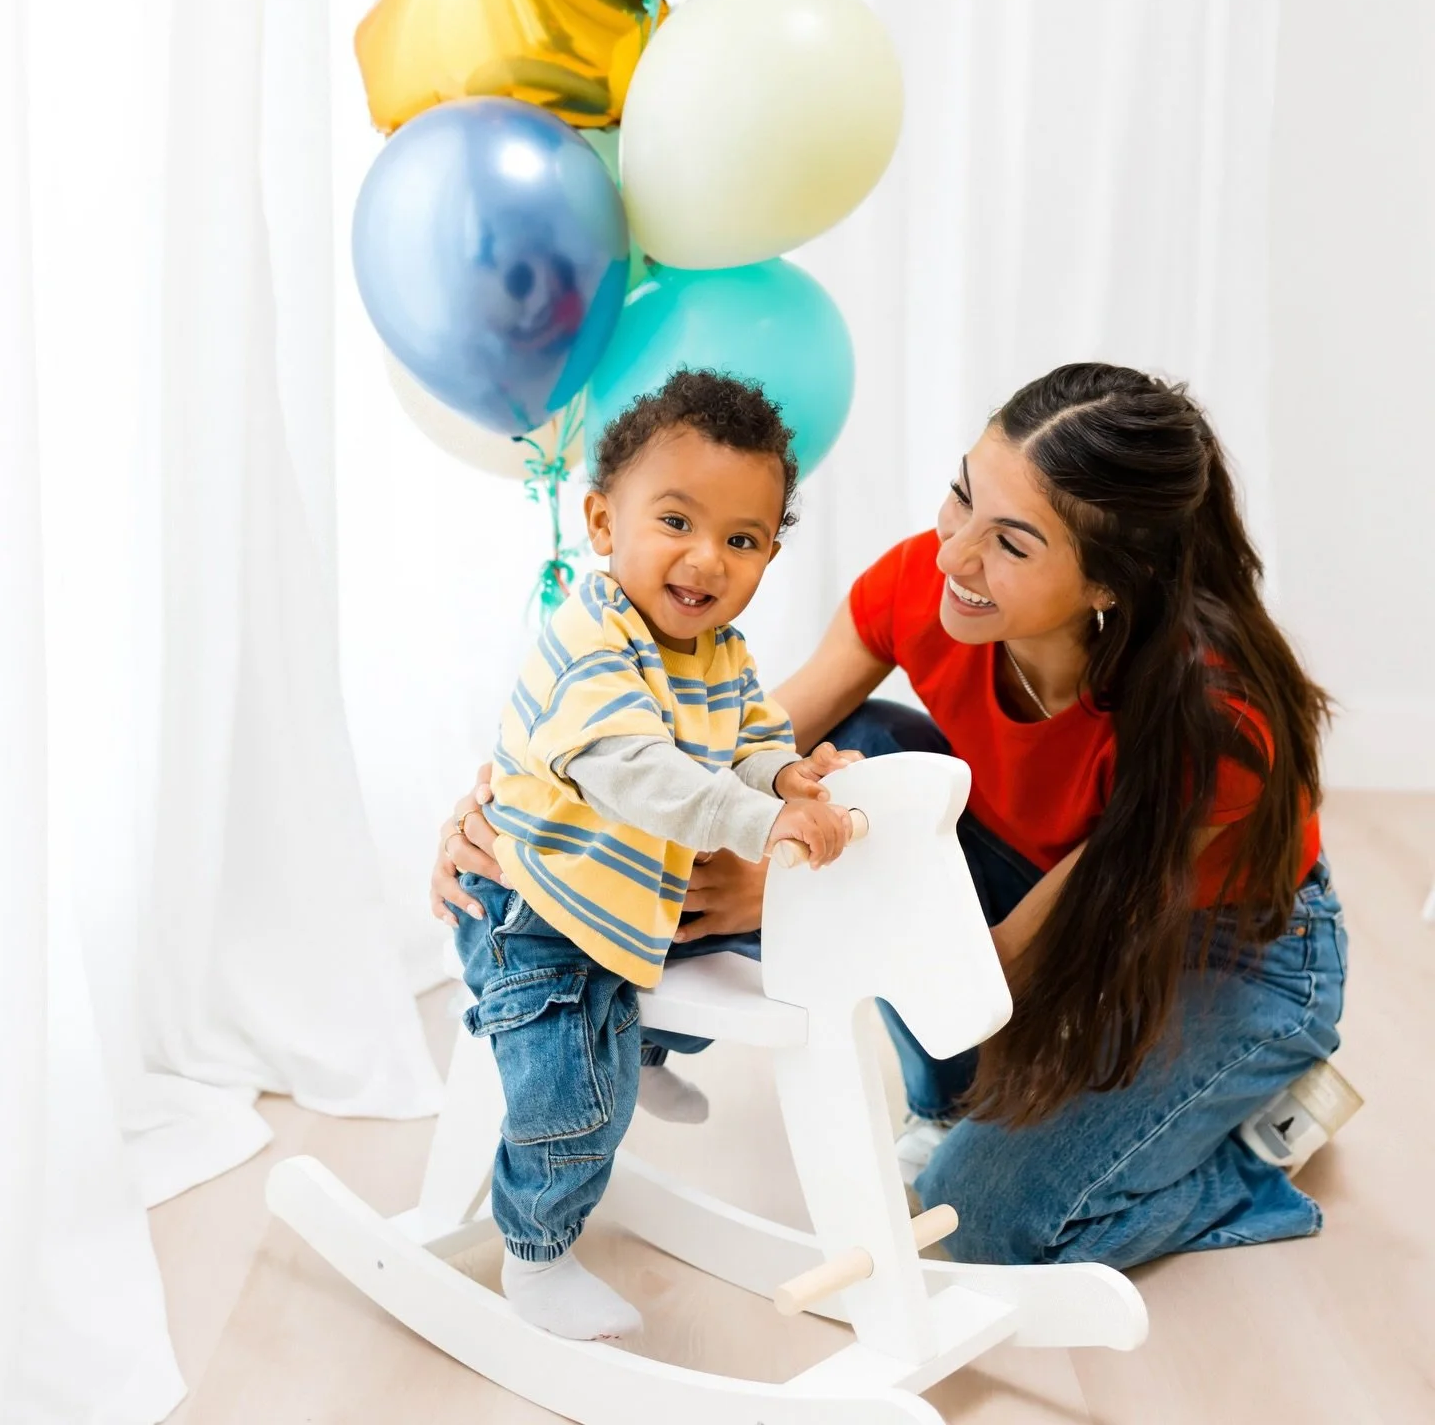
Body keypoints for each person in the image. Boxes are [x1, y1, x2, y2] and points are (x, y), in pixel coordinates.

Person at [436, 362, 1349, 1271]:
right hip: (1017, 859)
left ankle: (1244, 1149)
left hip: (1225, 946)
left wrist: (789, 890)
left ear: (1113, 581)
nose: (955, 555)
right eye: (962, 497)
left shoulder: (1216, 723)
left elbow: (1007, 962)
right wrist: (520, 810)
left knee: (986, 1216)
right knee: (848, 752)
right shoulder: (927, 583)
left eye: (1013, 544)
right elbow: (707, 754)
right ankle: (954, 1096)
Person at [450, 369, 854, 1342]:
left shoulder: (720, 652)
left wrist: (784, 782)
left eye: (743, 539)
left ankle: (648, 1042)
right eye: (676, 521)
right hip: (532, 910)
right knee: (575, 1105)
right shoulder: (591, 638)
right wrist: (758, 827)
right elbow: (639, 774)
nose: (707, 558)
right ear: (601, 521)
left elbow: (751, 735)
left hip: (619, 900)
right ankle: (537, 1256)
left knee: (733, 952)